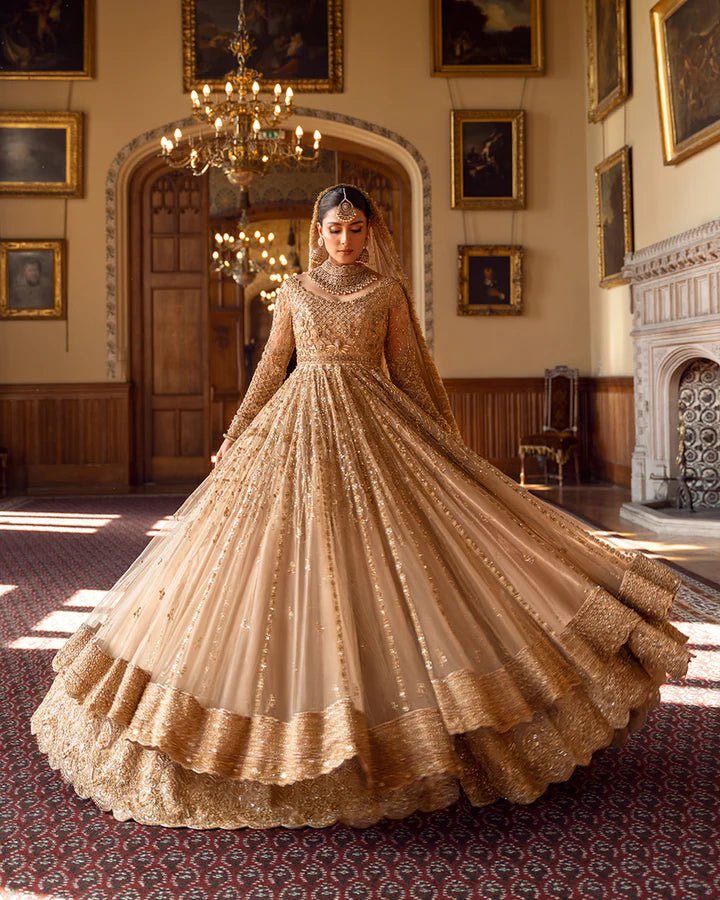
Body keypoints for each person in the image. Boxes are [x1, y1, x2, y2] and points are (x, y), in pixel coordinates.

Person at [31, 184, 689, 829]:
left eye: (354, 229)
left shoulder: (387, 292)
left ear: (370, 233)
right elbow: (272, 365)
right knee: (275, 554)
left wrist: (446, 443)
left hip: (377, 428)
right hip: (296, 428)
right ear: (317, 233)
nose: (344, 239)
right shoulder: (294, 290)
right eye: (334, 229)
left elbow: (411, 372)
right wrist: (236, 433)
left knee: (389, 553)